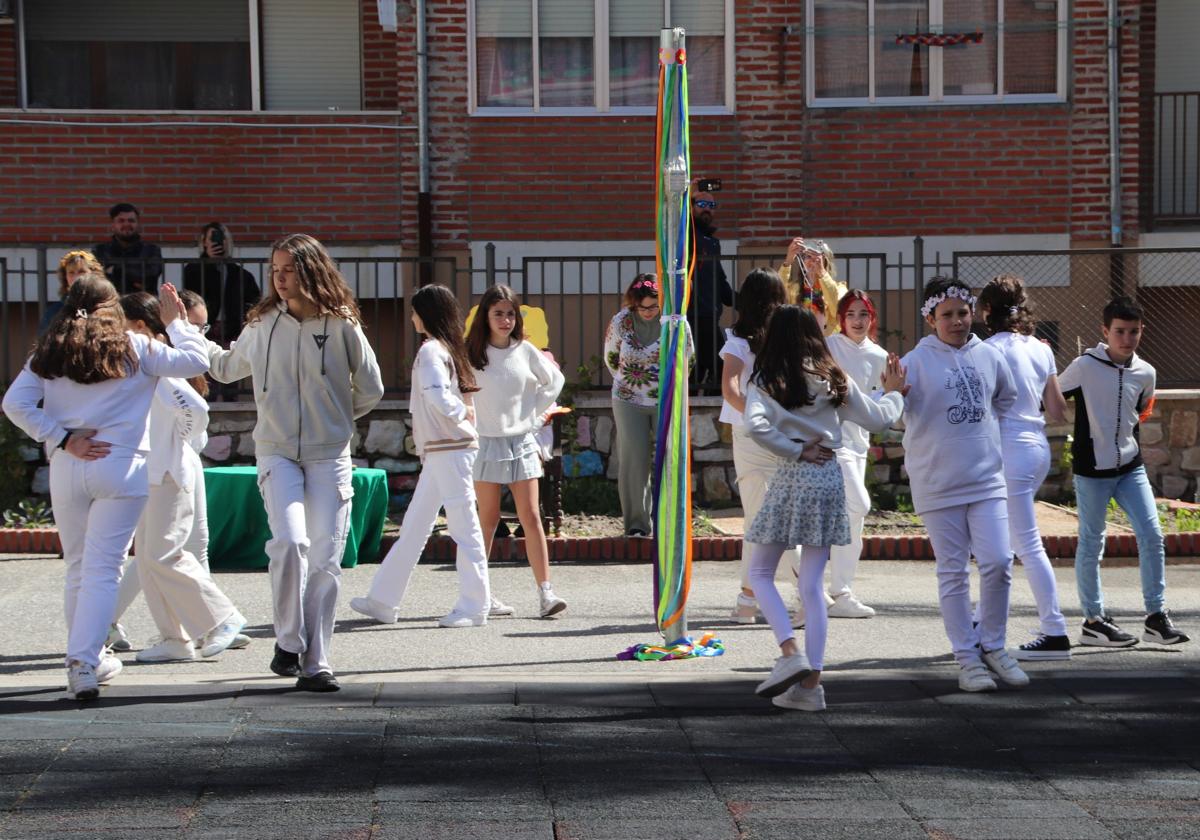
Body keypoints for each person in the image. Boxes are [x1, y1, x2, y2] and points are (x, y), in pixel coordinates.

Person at [1, 274, 207, 700]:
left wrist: (61, 438)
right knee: (102, 570)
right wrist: (178, 323)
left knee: (78, 566)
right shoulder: (137, 346)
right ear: (112, 308)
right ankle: (84, 661)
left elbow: (14, 404)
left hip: (68, 464)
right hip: (122, 464)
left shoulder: (50, 351)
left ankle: (86, 659)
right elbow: (195, 362)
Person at [206, 233, 384, 692]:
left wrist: (336, 417)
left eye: (288, 270)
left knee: (326, 557)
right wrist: (188, 335)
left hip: (330, 454)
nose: (280, 279)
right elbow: (226, 368)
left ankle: (316, 662)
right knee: (289, 542)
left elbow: (371, 388)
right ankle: (288, 641)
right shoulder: (263, 322)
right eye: (275, 270)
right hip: (277, 450)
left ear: (311, 270)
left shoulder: (342, 323)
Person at [743, 305, 907, 711]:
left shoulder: (768, 378)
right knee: (813, 585)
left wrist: (794, 449)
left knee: (760, 572)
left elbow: (755, 426)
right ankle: (811, 687)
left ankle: (789, 653)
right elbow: (877, 419)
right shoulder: (833, 377)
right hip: (830, 476)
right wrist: (894, 393)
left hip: (791, 476)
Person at [108, 289, 253, 654]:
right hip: (148, 471)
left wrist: (177, 443)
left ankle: (221, 618)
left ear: (138, 326)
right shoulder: (135, 360)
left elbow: (194, 409)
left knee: (164, 555)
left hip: (167, 470)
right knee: (148, 559)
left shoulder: (152, 359)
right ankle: (174, 638)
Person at [901, 277, 1026, 693]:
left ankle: (993, 644)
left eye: (962, 313)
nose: (956, 321)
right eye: (946, 315)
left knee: (998, 562)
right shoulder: (912, 363)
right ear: (929, 319)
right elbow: (886, 411)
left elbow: (1006, 401)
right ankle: (967, 658)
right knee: (953, 572)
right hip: (937, 482)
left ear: (972, 313)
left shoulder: (989, 355)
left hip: (986, 479)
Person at [350, 285, 492, 629]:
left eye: (414, 311)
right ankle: (384, 599)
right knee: (416, 525)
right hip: (445, 448)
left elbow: (437, 396)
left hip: (448, 447)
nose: (411, 317)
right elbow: (443, 397)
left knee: (462, 525)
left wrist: (460, 414)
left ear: (425, 314)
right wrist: (462, 414)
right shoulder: (444, 349)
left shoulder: (431, 351)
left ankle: (474, 606)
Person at [1059, 296, 1190, 648]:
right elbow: (1052, 395)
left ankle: (1156, 616)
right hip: (1091, 470)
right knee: (1092, 542)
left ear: (1141, 331)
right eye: (1119, 331)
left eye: (1133, 332)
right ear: (1105, 331)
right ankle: (1093, 620)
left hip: (1130, 468)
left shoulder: (1146, 372)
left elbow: (1141, 412)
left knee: (1152, 535)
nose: (1127, 338)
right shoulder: (1084, 366)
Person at [974, 276, 1071, 660]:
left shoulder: (986, 349)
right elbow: (1059, 409)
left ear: (986, 312)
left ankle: (1055, 630)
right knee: (1006, 540)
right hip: (1037, 447)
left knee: (1022, 543)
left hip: (1008, 450)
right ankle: (982, 620)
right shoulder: (1040, 348)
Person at [464, 284, 567, 618]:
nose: (506, 320)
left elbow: (554, 382)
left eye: (510, 313)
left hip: (521, 441)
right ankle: (481, 594)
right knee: (488, 518)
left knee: (532, 516)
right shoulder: (470, 353)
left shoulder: (525, 350)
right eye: (498, 313)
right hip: (485, 442)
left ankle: (546, 593)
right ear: (485, 316)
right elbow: (458, 393)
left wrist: (534, 416)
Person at [718, 268, 798, 624]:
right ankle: (791, 593)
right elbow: (731, 389)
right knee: (763, 517)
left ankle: (752, 597)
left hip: (776, 434)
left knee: (773, 517)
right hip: (754, 435)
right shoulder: (737, 341)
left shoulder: (787, 337)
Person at [604, 274, 693, 537]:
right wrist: (633, 384)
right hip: (628, 399)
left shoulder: (676, 322)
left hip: (665, 398)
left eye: (652, 306)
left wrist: (665, 388)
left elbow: (688, 358)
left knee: (669, 460)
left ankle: (669, 524)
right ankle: (636, 525)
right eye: (641, 307)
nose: (647, 312)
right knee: (633, 459)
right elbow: (611, 357)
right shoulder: (621, 321)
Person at [821, 289, 889, 619]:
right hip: (830, 443)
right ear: (840, 318)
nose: (857, 321)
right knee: (857, 504)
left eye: (863, 314)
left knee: (853, 519)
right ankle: (812, 588)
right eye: (851, 314)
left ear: (872, 318)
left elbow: (879, 402)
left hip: (858, 445)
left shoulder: (879, 356)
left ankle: (839, 591)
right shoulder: (829, 346)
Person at [182, 222, 261, 346]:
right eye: (212, 238)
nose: (217, 242)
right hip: (205, 326)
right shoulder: (194, 270)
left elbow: (254, 301)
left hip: (233, 329)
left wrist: (242, 320)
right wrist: (209, 262)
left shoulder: (240, 274)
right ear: (204, 242)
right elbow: (190, 297)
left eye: (221, 238)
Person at [687, 187, 733, 387]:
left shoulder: (712, 243)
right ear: (691, 207)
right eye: (702, 204)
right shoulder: (685, 235)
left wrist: (748, 301)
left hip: (709, 315)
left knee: (708, 368)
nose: (707, 209)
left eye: (712, 205)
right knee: (717, 364)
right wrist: (688, 193)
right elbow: (677, 223)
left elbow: (719, 280)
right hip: (691, 315)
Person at [779, 238, 846, 337]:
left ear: (825, 262)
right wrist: (788, 262)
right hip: (800, 342)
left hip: (828, 344)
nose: (812, 261)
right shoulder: (794, 289)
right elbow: (777, 293)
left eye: (816, 257)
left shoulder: (840, 288)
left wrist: (822, 273)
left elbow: (837, 311)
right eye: (808, 256)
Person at [93, 202, 163, 294]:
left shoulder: (152, 250)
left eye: (131, 220)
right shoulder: (100, 250)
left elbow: (150, 277)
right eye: (121, 221)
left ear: (138, 224)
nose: (126, 224)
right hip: (109, 303)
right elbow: (96, 280)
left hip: (143, 304)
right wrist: (135, 274)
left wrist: (115, 269)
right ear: (113, 225)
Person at [39, 251, 105, 335]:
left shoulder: (105, 307)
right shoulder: (54, 311)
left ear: (94, 274)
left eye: (82, 272)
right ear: (65, 277)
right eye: (71, 272)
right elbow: (44, 342)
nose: (76, 277)